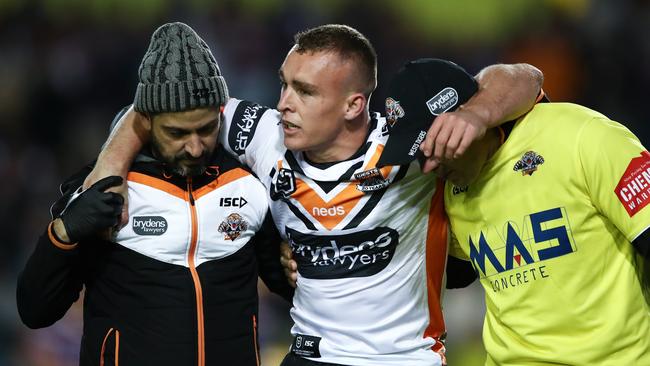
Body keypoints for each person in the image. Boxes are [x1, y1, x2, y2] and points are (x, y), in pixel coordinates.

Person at [85, 24, 543, 366]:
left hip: (403, 358)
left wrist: (476, 115)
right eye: (284, 82)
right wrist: (108, 170)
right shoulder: (263, 135)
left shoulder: (408, 145)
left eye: (304, 91)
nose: (283, 101)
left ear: (353, 104)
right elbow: (160, 106)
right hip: (309, 355)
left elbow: (525, 77)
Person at [16, 22, 292, 366]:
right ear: (145, 120)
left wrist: (296, 256)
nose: (194, 147)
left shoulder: (248, 183)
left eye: (206, 129)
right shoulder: (104, 186)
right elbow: (35, 310)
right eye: (177, 132)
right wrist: (62, 234)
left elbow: (288, 287)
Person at [380, 58, 650, 365]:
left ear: (462, 122)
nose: (427, 167)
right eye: (419, 156)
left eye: (434, 148)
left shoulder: (582, 137)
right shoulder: (448, 193)